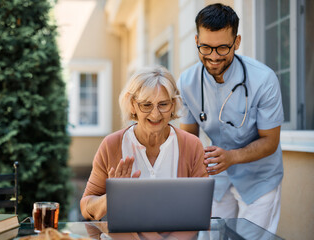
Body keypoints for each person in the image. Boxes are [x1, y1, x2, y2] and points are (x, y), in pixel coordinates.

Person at [177, 3, 284, 234]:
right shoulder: (187, 82)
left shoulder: (263, 80)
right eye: (206, 47)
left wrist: (231, 156)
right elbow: (188, 138)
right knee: (212, 236)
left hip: (259, 181)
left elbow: (270, 141)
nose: (213, 57)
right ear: (196, 40)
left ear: (237, 42)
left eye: (222, 48)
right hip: (218, 180)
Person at [80, 66, 208, 221]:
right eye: (146, 105)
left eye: (163, 104)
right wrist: (112, 195)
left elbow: (201, 207)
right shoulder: (111, 145)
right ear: (133, 105)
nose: (155, 114)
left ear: (173, 105)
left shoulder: (192, 145)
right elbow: (86, 208)